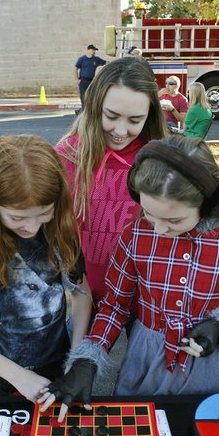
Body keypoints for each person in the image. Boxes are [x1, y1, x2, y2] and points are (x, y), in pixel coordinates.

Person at [40, 136, 219, 419]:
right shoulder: (134, 234)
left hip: (212, 367)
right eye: (149, 214)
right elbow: (114, 306)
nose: (159, 229)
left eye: (174, 221)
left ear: (208, 201)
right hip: (145, 362)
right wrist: (86, 360)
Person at [0, 135, 92, 402]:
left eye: (44, 212)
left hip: (58, 369)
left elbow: (80, 291)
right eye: (17, 217)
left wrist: (77, 355)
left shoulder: (60, 226)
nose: (32, 227)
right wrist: (17, 375)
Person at [56, 56, 167, 304]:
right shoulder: (68, 154)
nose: (120, 131)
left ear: (150, 115)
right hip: (84, 293)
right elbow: (18, 202)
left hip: (144, 294)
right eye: (112, 116)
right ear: (95, 105)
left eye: (135, 120)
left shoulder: (160, 157)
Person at [75, 44, 106, 111]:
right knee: (83, 97)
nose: (94, 51)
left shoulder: (96, 59)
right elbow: (75, 69)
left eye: (95, 50)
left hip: (91, 81)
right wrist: (77, 79)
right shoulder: (82, 59)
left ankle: (85, 110)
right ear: (88, 50)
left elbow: (105, 62)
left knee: (91, 96)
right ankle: (83, 111)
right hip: (83, 81)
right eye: (93, 50)